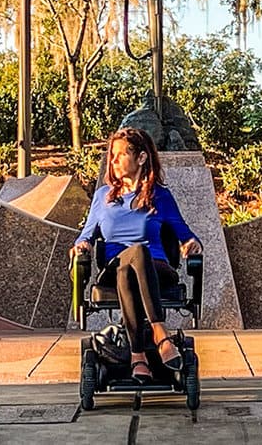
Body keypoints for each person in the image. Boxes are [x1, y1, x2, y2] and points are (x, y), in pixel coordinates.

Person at [72, 126, 202, 382]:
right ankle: (159, 333)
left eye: (121, 154)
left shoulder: (160, 197)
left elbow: (185, 232)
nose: (114, 160)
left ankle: (138, 357)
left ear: (141, 158)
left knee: (138, 255)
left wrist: (191, 243)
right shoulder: (102, 198)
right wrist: (81, 245)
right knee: (131, 257)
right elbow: (84, 235)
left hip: (156, 269)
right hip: (114, 267)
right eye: (112, 155)